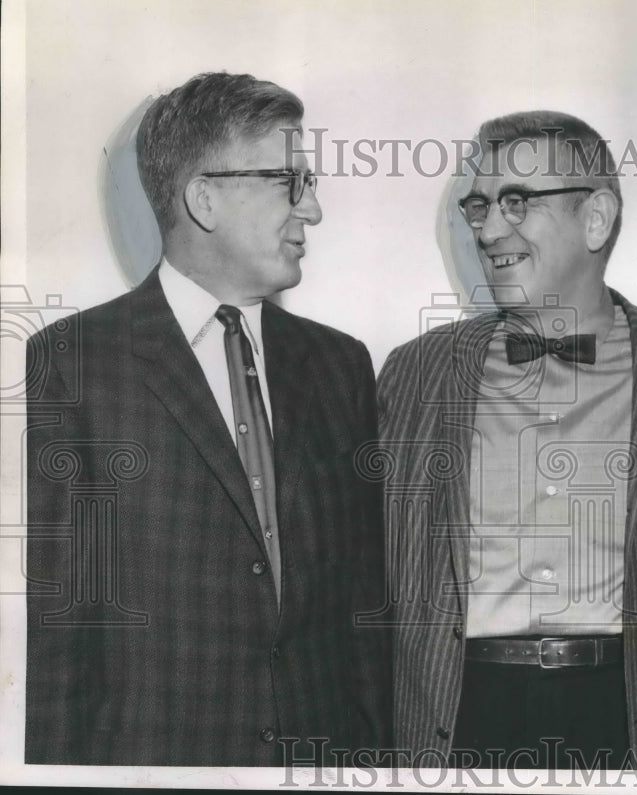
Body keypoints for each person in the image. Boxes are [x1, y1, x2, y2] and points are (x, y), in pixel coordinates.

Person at [24, 72, 390, 766]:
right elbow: (54, 634)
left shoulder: (341, 364)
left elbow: (364, 612)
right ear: (204, 198)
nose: (311, 210)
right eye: (291, 182)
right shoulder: (72, 365)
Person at [375, 110, 637, 770]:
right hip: (459, 716)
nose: (489, 229)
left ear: (597, 218)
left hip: (629, 716)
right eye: (478, 206)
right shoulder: (414, 371)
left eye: (516, 201)